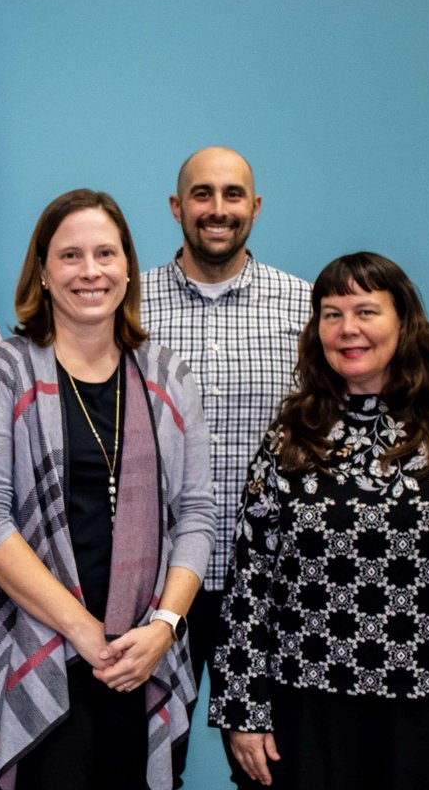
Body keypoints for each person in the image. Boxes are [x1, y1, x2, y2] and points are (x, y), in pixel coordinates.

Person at [209, 252, 429, 789]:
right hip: (309, 707)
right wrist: (242, 708)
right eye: (331, 313)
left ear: (403, 322)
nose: (348, 329)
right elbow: (251, 581)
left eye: (366, 311)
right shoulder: (291, 438)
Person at [0, 188, 217, 790]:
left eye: (106, 253)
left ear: (128, 267)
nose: (90, 271)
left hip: (143, 653)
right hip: (42, 645)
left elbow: (198, 515)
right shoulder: (3, 373)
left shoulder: (168, 376)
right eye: (70, 256)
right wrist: (82, 631)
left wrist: (165, 627)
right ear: (42, 272)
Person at [140, 146, 311, 787]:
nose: (218, 209)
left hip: (272, 584)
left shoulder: (306, 307)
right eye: (203, 194)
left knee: (274, 769)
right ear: (177, 206)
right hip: (158, 583)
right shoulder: (127, 307)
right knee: (151, 762)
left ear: (255, 207)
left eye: (233, 194)